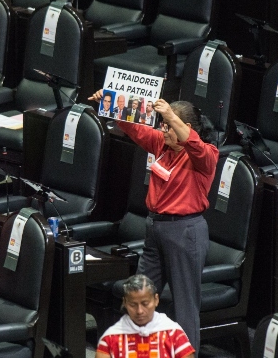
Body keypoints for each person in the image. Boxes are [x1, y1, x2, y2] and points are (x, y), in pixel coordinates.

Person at [90, 90, 218, 356]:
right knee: (140, 295)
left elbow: (194, 145)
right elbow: (134, 129)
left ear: (186, 128)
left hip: (185, 232)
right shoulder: (162, 144)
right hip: (155, 229)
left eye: (168, 125)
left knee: (185, 306)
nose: (163, 130)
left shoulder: (205, 155)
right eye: (163, 125)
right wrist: (111, 101)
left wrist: (170, 114)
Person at [96, 274, 195, 358]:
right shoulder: (110, 339)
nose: (139, 311)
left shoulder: (174, 334)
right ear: (125, 302)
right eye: (133, 305)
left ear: (156, 300)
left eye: (145, 304)